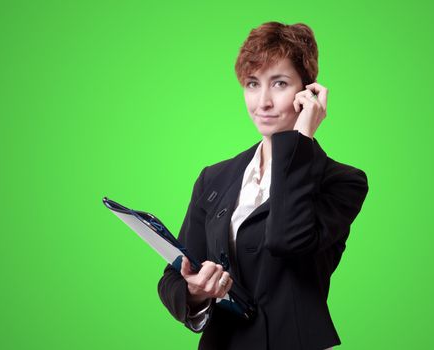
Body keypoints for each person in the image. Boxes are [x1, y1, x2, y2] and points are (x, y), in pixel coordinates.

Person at [157, 21, 369, 350]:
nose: (263, 101)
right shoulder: (214, 177)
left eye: (279, 83)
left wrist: (300, 140)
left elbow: (288, 239)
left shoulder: (343, 182)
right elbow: (173, 277)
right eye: (253, 84)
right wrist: (195, 291)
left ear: (307, 91)